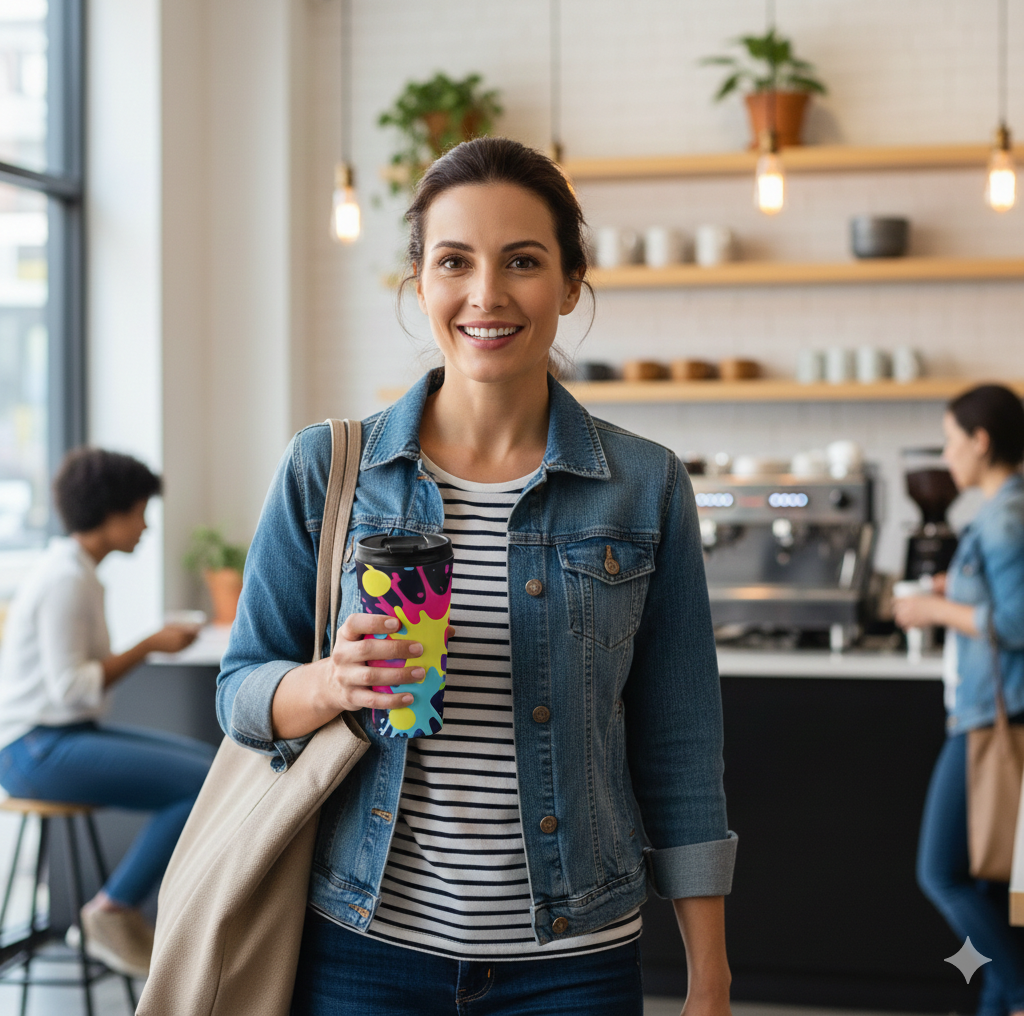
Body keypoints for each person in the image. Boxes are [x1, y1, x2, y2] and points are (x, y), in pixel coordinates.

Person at [218, 137, 736, 1016]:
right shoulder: (329, 469)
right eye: (454, 261)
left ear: (571, 284)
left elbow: (680, 742)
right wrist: (330, 683)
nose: (486, 295)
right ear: (420, 282)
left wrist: (711, 975)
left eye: (523, 262)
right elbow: (239, 693)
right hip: (363, 949)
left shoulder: (645, 486)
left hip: (574, 961)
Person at [0, 447, 216, 979]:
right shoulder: (65, 580)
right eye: (141, 511)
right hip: (34, 749)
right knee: (203, 784)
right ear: (113, 512)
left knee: (215, 772)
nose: (145, 526)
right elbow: (72, 688)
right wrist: (149, 645)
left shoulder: (79, 573)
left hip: (59, 737)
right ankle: (111, 911)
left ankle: (115, 911)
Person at [895, 384, 1024, 1016]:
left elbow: (1020, 620)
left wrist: (933, 607)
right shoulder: (1004, 511)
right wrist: (960, 583)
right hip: (988, 717)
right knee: (985, 887)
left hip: (990, 725)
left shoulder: (1006, 516)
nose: (946, 456)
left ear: (981, 441)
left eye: (950, 440)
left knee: (940, 873)